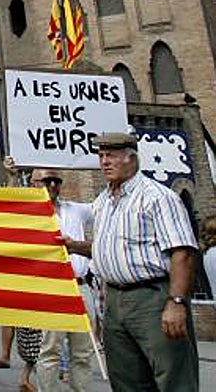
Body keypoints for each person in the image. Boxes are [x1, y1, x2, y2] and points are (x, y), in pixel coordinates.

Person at [61, 131, 198, 391]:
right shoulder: (103, 202)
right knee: (126, 380)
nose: (104, 162)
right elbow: (110, 249)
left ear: (131, 158)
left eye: (111, 155)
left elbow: (183, 252)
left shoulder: (157, 197)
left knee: (172, 378)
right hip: (113, 300)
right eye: (101, 156)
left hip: (152, 298)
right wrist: (74, 246)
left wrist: (176, 302)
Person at [16, 166, 95, 392]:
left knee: (82, 352)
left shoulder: (75, 210)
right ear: (34, 183)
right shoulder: (28, 215)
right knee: (50, 351)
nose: (53, 185)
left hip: (80, 286)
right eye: (47, 180)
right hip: (51, 288)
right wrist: (12, 175)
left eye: (57, 181)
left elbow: (104, 206)